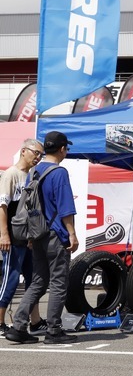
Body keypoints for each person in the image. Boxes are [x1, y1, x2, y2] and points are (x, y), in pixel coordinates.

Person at [5, 131, 79, 344]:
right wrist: (72, 234)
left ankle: (18, 326)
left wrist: (31, 234)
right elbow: (66, 208)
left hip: (36, 235)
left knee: (38, 281)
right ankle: (53, 330)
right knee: (58, 283)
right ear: (62, 149)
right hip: (56, 235)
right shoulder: (59, 173)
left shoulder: (34, 171)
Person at [0, 139, 48, 337]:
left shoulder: (32, 176)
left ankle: (35, 321)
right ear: (23, 151)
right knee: (10, 280)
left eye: (40, 155)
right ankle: (0, 321)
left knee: (33, 279)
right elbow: (2, 207)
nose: (37, 157)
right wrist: (4, 234)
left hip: (27, 239)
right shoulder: (11, 174)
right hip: (12, 237)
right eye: (35, 153)